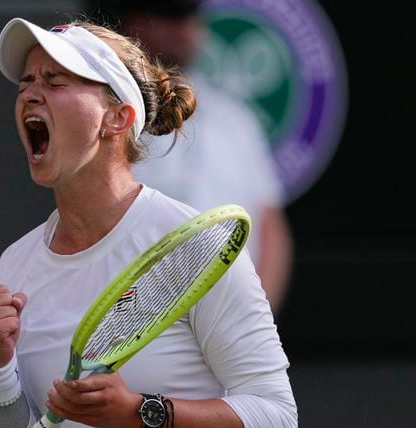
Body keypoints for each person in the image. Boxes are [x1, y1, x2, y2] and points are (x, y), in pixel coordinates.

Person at [0, 16, 298, 428]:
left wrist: (140, 413)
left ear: (116, 119)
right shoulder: (17, 265)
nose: (32, 94)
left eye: (55, 82)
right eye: (27, 82)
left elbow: (277, 422)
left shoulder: (191, 244)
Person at [92, 0, 294, 314]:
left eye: (192, 15)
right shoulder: (102, 116)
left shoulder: (236, 118)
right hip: (135, 325)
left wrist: (255, 316)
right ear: (133, 22)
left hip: (232, 319)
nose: (186, 29)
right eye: (171, 15)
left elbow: (270, 226)